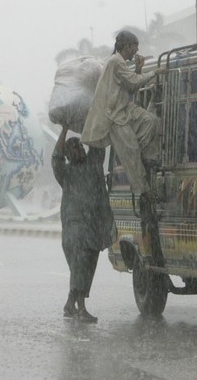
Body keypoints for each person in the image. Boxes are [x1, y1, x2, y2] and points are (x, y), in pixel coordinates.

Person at [81, 30, 167, 264]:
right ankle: (144, 190)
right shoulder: (116, 62)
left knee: (150, 122)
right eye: (133, 47)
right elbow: (132, 83)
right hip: (116, 117)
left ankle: (144, 163)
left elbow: (129, 88)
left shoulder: (120, 64)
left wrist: (139, 71)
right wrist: (152, 73)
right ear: (125, 46)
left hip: (125, 112)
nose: (135, 52)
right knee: (130, 153)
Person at [52, 126, 114, 323]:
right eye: (72, 149)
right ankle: (81, 309)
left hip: (93, 227)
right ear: (68, 155)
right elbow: (56, 158)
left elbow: (98, 146)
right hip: (74, 228)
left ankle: (70, 304)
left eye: (79, 146)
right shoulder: (65, 173)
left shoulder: (93, 167)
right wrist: (63, 130)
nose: (76, 151)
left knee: (85, 268)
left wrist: (91, 122)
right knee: (80, 266)